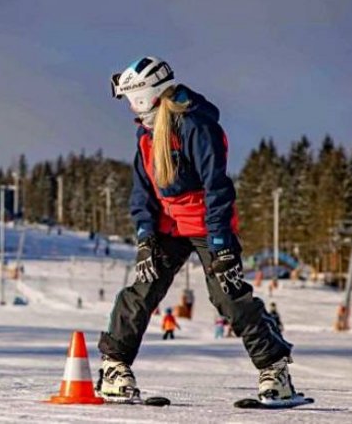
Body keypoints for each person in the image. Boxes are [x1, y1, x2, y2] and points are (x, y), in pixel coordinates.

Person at [97, 56, 295, 402]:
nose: (129, 106)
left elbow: (217, 187)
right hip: (167, 225)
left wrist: (220, 244)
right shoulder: (146, 134)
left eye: (131, 97)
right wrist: (146, 239)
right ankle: (115, 367)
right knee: (142, 291)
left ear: (146, 95)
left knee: (228, 293)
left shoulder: (196, 126)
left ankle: (275, 373)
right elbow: (142, 191)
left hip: (206, 221)